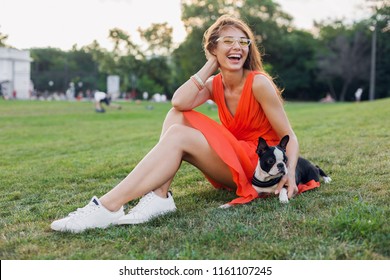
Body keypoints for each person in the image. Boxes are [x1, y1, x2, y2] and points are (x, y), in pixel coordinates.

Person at [51, 15, 303, 233]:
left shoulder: (259, 83)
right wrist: (210, 65)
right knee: (176, 116)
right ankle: (160, 196)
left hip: (262, 165)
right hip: (236, 157)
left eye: (243, 41)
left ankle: (108, 206)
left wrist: (289, 174)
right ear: (213, 49)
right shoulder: (215, 84)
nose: (237, 46)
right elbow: (179, 101)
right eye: (228, 41)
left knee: (178, 135)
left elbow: (288, 135)